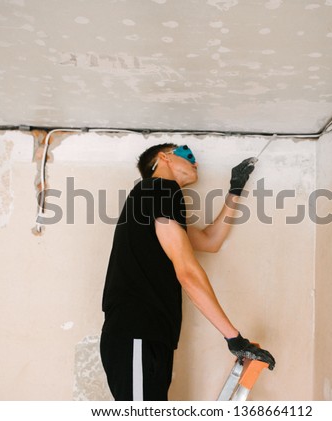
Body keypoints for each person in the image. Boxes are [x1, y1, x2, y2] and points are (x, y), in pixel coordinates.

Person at [100, 143, 275, 401]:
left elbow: (209, 242)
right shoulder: (159, 188)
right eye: (187, 154)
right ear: (163, 158)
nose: (196, 163)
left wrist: (235, 189)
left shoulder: (151, 198)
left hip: (147, 336)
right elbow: (187, 272)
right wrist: (234, 339)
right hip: (138, 333)